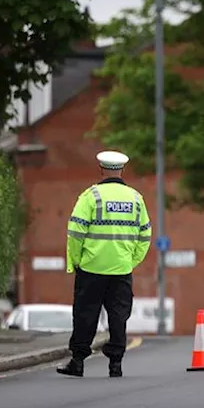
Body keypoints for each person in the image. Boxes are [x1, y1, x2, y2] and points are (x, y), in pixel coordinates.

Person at [57, 150, 151, 378]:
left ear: (101, 169)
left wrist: (77, 261)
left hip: (91, 268)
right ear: (123, 171)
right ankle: (115, 364)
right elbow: (145, 235)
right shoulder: (136, 199)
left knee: (85, 315)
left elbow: (75, 232)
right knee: (119, 316)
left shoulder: (91, 196)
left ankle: (78, 362)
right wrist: (130, 260)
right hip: (121, 269)